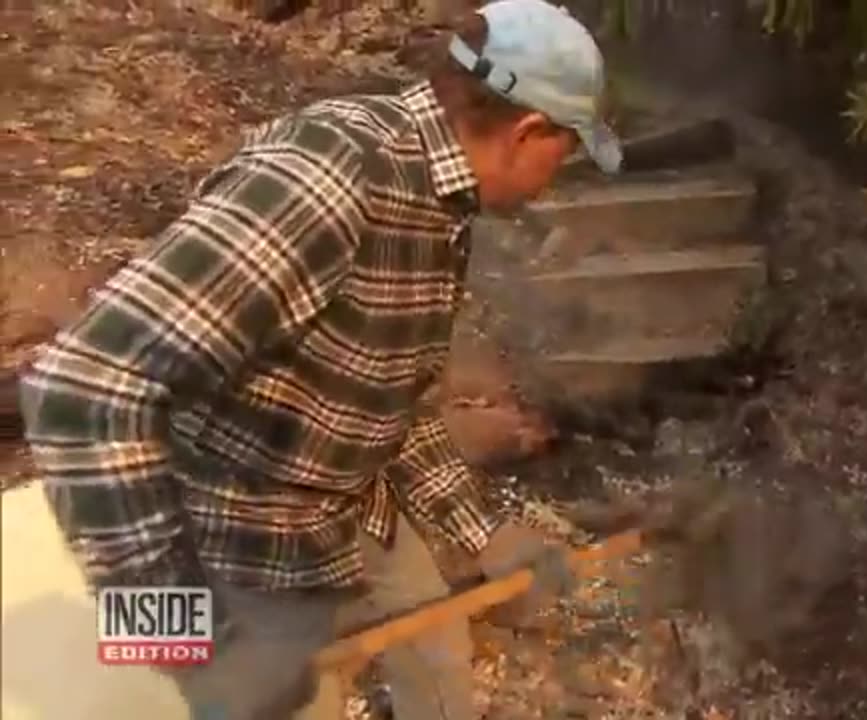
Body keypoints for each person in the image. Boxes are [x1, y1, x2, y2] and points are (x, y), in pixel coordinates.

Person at [17, 1, 621, 718]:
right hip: (230, 545)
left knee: (440, 666)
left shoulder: (439, 198)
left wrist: (482, 532)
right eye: (570, 148)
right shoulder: (330, 178)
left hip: (345, 504)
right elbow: (80, 387)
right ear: (528, 132)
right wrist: (181, 638)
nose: (561, 173)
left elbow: (389, 391)